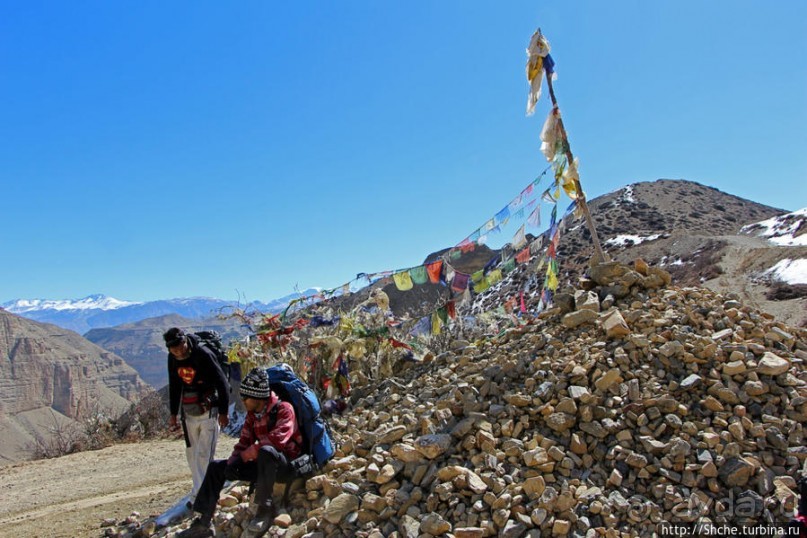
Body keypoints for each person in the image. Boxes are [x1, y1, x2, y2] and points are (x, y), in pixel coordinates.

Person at [179, 367, 302, 538]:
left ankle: (264, 509)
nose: (242, 400)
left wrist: (246, 455)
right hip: (262, 466)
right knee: (216, 467)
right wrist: (234, 461)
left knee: (267, 450)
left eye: (246, 397)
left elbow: (276, 440)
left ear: (257, 396)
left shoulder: (284, 409)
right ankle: (203, 521)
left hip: (285, 465)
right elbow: (244, 442)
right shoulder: (253, 416)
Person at [164, 327, 230, 507]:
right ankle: (198, 493)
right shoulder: (173, 359)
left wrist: (223, 412)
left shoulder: (203, 354)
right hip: (189, 410)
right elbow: (175, 385)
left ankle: (204, 498)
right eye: (174, 349)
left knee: (204, 454)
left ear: (185, 341)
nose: (179, 352)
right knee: (192, 454)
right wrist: (173, 414)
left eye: (180, 347)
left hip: (210, 409)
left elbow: (222, 382)